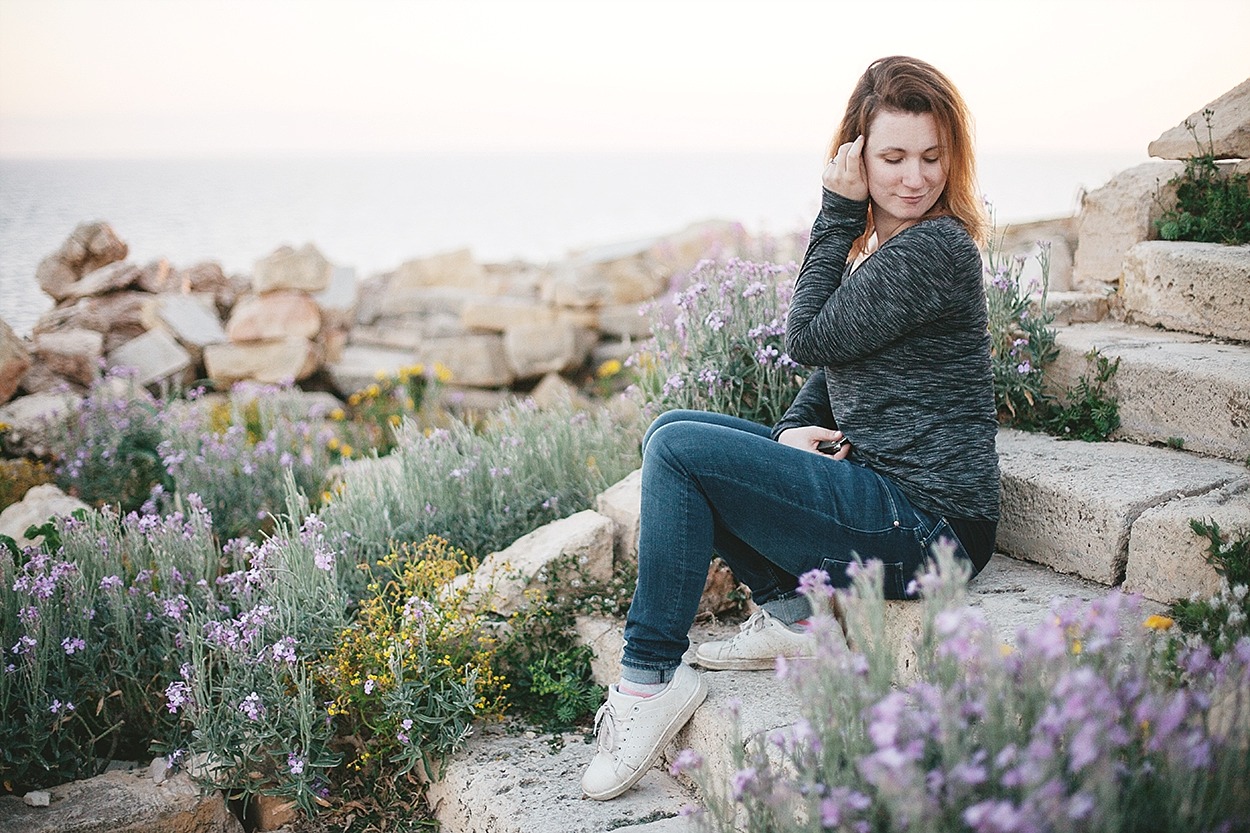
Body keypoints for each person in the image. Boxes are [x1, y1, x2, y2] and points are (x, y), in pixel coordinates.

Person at [581, 55, 999, 801]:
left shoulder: (934, 248)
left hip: (929, 527)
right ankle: (796, 618)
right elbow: (834, 369)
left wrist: (836, 210)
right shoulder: (898, 247)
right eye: (893, 156)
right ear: (858, 153)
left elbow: (807, 335)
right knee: (673, 428)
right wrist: (789, 432)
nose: (914, 177)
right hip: (893, 498)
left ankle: (646, 682)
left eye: (932, 157)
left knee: (679, 452)